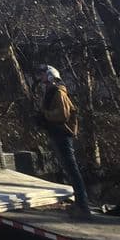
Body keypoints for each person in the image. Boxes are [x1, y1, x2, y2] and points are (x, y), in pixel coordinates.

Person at [34, 64, 92, 218]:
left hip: (62, 134)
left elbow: (63, 114)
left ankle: (83, 205)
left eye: (43, 74)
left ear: (51, 75)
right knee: (68, 169)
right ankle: (80, 203)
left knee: (72, 170)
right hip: (56, 133)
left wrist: (45, 116)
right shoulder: (49, 92)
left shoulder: (58, 92)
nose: (41, 77)